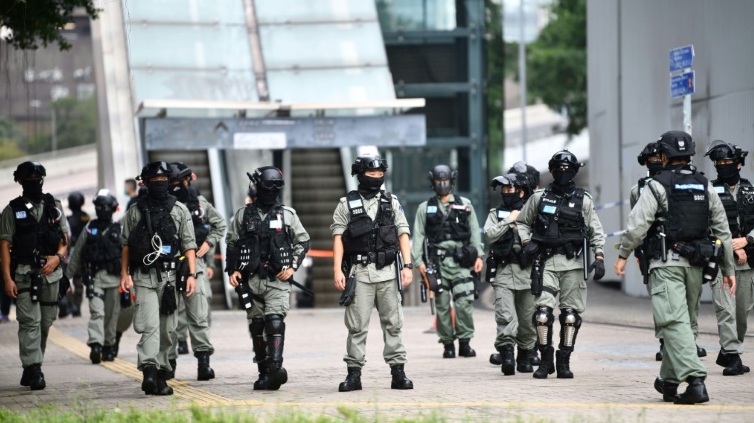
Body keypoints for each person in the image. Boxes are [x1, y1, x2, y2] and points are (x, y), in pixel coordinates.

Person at [614, 130, 736, 404]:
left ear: (664, 156)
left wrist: (623, 253)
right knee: (682, 321)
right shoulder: (705, 185)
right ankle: (669, 382)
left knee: (672, 320)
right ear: (691, 155)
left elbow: (637, 224)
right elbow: (723, 230)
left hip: (666, 264)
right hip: (697, 266)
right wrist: (728, 270)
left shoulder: (657, 185)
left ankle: (695, 381)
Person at [516, 150, 606, 380]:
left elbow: (596, 231)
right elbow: (522, 222)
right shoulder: (538, 198)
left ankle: (563, 360)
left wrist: (599, 257)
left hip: (573, 264)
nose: (563, 173)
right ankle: (545, 360)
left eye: (568, 169)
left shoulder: (584, 199)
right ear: (552, 171)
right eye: (559, 169)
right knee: (542, 315)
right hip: (545, 262)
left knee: (570, 316)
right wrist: (526, 241)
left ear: (574, 171)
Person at [332, 155, 414, 391]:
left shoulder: (391, 201)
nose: (376, 179)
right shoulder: (346, 204)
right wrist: (337, 269)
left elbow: (403, 233)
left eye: (380, 175)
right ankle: (354, 374)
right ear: (360, 175)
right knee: (357, 326)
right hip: (360, 274)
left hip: (388, 273)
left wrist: (407, 266)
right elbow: (338, 238)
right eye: (371, 175)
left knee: (394, 324)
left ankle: (398, 373)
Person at [226, 166, 310, 391]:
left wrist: (292, 266)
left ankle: (274, 369)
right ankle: (263, 372)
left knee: (274, 322)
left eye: (276, 187)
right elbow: (232, 243)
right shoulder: (243, 215)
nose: (271, 191)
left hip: (277, 281)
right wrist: (232, 270)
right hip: (250, 280)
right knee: (257, 326)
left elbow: (303, 242)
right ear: (257, 187)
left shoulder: (288, 215)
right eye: (267, 186)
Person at [119, 161, 198, 396]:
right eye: (153, 182)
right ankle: (150, 372)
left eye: (163, 181)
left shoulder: (180, 210)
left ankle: (162, 371)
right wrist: (124, 274)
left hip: (170, 278)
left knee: (168, 329)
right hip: (143, 277)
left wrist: (192, 274)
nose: (159, 185)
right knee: (150, 326)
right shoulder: (135, 211)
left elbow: (189, 245)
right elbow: (125, 244)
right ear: (145, 183)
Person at [1, 161, 69, 390]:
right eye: (29, 181)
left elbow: (64, 240)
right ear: (19, 181)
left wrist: (58, 258)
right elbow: (4, 245)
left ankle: (30, 366)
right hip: (23, 274)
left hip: (51, 274)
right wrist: (8, 279)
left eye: (37, 180)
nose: (34, 184)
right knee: (30, 322)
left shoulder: (55, 206)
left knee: (45, 323)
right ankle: (34, 368)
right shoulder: (11, 210)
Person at [411, 164, 483, 358]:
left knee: (464, 303)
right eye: (438, 181)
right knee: (442, 306)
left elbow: (475, 232)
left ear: (452, 181)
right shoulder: (424, 208)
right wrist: (419, 263)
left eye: (446, 181)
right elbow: (417, 237)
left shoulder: (465, 204)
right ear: (432, 183)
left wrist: (479, 256)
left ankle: (465, 342)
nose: (442, 184)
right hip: (437, 263)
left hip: (462, 262)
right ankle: (448, 344)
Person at [166, 162, 225, 381]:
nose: (178, 185)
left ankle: (203, 363)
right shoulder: (160, 204)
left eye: (177, 181)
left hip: (196, 264)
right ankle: (169, 364)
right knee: (169, 317)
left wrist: (208, 246)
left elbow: (219, 224)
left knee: (198, 315)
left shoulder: (199, 203)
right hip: (169, 265)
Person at [704, 140, 752, 375]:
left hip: (747, 262)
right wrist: (733, 246)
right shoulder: (709, 191)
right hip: (722, 261)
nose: (723, 166)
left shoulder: (750, 191)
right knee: (726, 310)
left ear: (739, 164)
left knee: (741, 313)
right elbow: (708, 226)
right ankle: (733, 356)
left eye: (728, 162)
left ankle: (728, 350)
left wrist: (747, 241)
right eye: (719, 163)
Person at [484, 173, 538, 375]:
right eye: (504, 191)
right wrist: (509, 219)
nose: (507, 194)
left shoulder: (531, 212)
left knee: (527, 319)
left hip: (527, 272)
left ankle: (524, 356)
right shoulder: (495, 214)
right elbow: (489, 234)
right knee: (505, 316)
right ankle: (507, 356)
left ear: (521, 192)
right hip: (504, 271)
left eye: (510, 190)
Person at [65, 190, 122, 363]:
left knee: (112, 315)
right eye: (99, 206)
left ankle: (108, 345)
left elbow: (128, 254)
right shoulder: (89, 228)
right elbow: (76, 255)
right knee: (97, 313)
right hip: (95, 278)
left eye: (105, 206)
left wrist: (130, 276)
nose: (102, 210)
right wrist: (65, 278)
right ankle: (96, 344)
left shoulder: (119, 229)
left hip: (115, 279)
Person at [61, 191, 90, 318]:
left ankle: (70, 303)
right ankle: (77, 307)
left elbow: (67, 238)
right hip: (85, 254)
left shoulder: (68, 220)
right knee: (79, 282)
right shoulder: (86, 217)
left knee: (66, 280)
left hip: (71, 254)